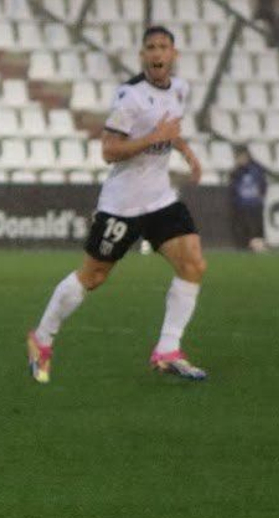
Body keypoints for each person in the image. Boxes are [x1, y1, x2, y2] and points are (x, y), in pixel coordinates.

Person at [27, 26, 209, 383]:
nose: (157, 54)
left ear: (173, 55)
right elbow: (109, 151)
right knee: (93, 276)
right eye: (151, 48)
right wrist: (154, 138)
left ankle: (168, 350)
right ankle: (42, 338)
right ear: (142, 56)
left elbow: (170, 131)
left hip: (160, 200)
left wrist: (185, 150)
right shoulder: (130, 97)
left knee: (193, 264)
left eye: (163, 48)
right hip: (122, 205)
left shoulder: (181, 89)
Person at [228, 145, 269, 252]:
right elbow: (233, 187)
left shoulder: (256, 169)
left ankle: (258, 246)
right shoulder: (236, 172)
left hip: (254, 204)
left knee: (256, 228)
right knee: (242, 228)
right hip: (241, 205)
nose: (240, 159)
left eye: (242, 156)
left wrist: (261, 196)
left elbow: (263, 184)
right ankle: (245, 247)